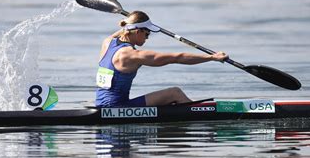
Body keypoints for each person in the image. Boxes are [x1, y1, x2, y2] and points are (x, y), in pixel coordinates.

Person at [95, 11, 228, 107]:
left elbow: (123, 30)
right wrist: (212, 57)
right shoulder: (129, 55)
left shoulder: (107, 43)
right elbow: (177, 57)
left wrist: (134, 22)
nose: (147, 38)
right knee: (174, 93)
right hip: (117, 108)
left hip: (101, 104)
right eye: (147, 34)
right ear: (137, 31)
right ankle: (200, 117)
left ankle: (189, 109)